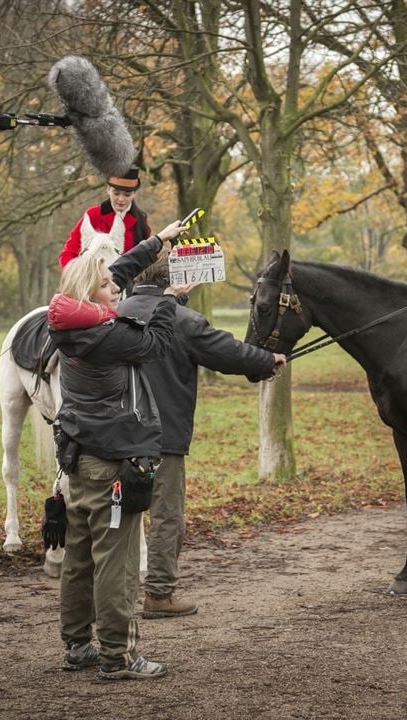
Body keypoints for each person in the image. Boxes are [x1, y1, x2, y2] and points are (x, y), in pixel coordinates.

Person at [49, 237, 193, 681]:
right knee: (118, 561)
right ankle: (117, 655)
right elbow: (156, 343)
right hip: (112, 464)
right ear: (90, 293)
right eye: (108, 286)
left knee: (80, 557)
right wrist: (169, 299)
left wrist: (156, 244)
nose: (117, 289)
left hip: (79, 460)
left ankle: (77, 645)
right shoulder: (109, 337)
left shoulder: (71, 323)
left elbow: (117, 276)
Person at [117, 248, 286, 619]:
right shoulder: (182, 320)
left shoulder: (116, 314)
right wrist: (267, 360)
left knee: (119, 516)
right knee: (166, 517)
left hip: (113, 437)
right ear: (176, 280)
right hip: (163, 438)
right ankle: (159, 596)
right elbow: (228, 352)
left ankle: (113, 596)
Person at [59, 166, 151, 268]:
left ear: (134, 194)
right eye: (116, 193)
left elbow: (145, 258)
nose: (121, 199)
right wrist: (75, 276)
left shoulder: (141, 220)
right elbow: (69, 252)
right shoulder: (93, 215)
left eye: (127, 195)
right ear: (108, 190)